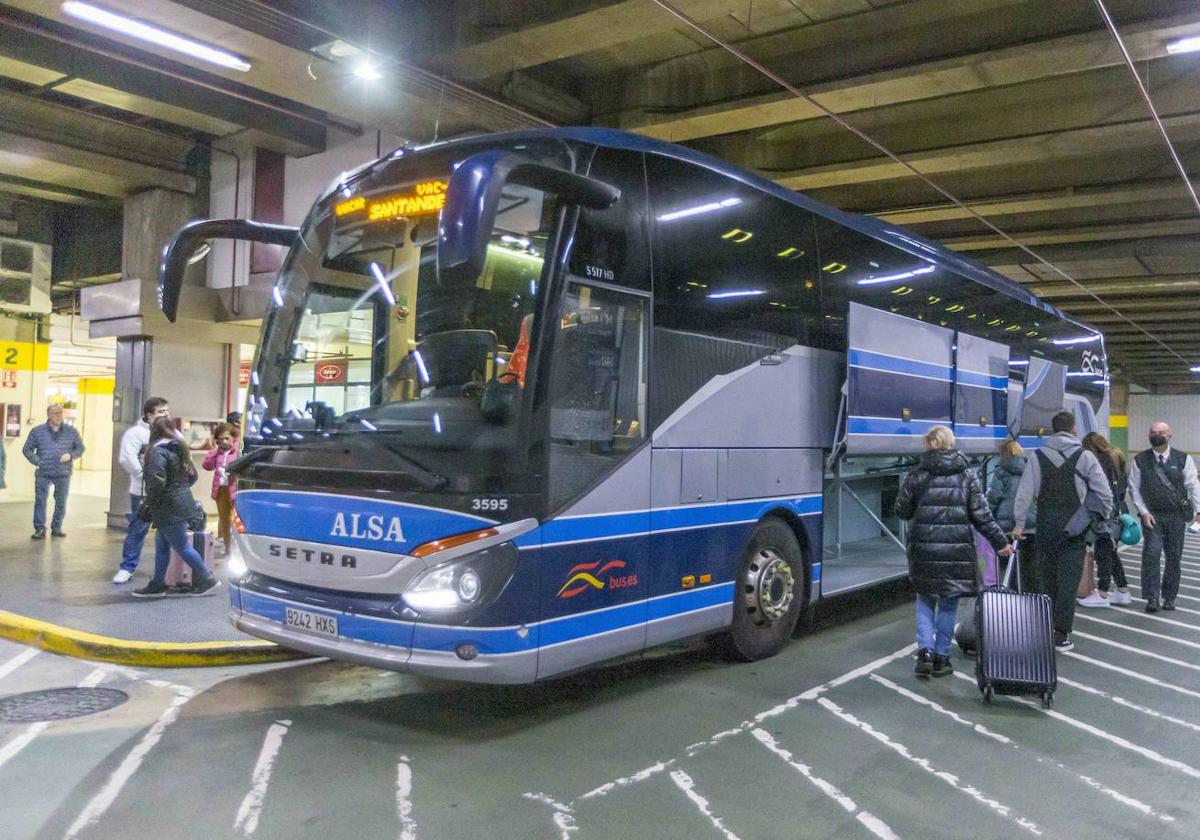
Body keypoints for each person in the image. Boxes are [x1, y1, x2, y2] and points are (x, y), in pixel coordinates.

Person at [896, 425, 1011, 678]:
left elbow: (901, 511)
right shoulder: (967, 476)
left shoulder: (916, 474)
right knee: (949, 603)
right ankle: (941, 657)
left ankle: (924, 653)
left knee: (925, 599)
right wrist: (1001, 543)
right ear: (951, 443)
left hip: (924, 548)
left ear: (928, 445)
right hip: (956, 548)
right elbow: (982, 516)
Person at [1013, 411, 1113, 651]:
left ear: (1052, 429)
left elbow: (1025, 493)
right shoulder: (1085, 456)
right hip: (1075, 528)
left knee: (1046, 579)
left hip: (1045, 526)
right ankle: (1061, 634)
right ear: (1074, 429)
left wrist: (1019, 523)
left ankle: (1044, 627)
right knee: (1068, 582)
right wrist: (1103, 517)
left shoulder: (1037, 456)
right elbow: (1104, 493)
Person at [131, 416, 221, 598]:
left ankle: (207, 579)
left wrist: (151, 501)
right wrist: (179, 488)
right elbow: (193, 477)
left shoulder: (157, 452)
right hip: (180, 504)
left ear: (154, 432)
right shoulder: (179, 449)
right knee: (162, 545)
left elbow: (156, 482)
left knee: (181, 545)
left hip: (168, 507)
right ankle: (158, 583)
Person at [1129, 421, 1200, 613]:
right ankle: (1152, 598)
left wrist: (1199, 512)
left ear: (1169, 436)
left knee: (1173, 558)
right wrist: (1143, 512)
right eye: (1153, 432)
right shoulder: (1140, 460)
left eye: (1161, 432)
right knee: (1151, 555)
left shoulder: (1183, 459)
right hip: (1152, 517)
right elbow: (1134, 489)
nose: (1156, 435)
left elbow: (1193, 485)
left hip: (1176, 517)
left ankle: (1169, 597)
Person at [113, 397, 170, 584]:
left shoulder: (171, 433)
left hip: (167, 493)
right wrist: (144, 475)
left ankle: (166, 571)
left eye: (166, 411)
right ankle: (127, 567)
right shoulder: (136, 434)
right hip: (142, 492)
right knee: (137, 529)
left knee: (167, 533)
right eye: (161, 411)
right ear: (149, 414)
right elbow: (127, 458)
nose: (165, 414)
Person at [1078, 432, 1132, 607]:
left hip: (1105, 513)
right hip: (1119, 511)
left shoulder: (1099, 462)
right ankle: (1122, 590)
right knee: (1111, 552)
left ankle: (1102, 594)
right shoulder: (1116, 459)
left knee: (1104, 553)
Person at [22, 404, 84, 539]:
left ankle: (56, 527)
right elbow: (27, 449)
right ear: (48, 415)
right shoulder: (37, 431)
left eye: (60, 413)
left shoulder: (71, 431)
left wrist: (70, 455)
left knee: (61, 501)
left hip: (63, 472)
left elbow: (80, 448)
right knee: (40, 501)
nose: (58, 416)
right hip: (43, 472)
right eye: (55, 413)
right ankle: (39, 528)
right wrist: (38, 461)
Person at [987, 439, 1037, 590]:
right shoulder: (1032, 469)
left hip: (1007, 525)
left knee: (1007, 567)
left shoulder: (1001, 471)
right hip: (1030, 524)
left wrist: (987, 518)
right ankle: (1029, 599)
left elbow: (994, 497)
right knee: (1030, 567)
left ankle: (1011, 597)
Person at [202, 422, 238, 555]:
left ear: (233, 437)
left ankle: (237, 549)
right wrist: (215, 451)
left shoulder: (238, 451)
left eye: (227, 438)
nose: (224, 441)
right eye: (221, 439)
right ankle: (228, 549)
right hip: (221, 490)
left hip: (234, 490)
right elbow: (206, 466)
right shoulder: (217, 453)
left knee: (236, 521)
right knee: (224, 521)